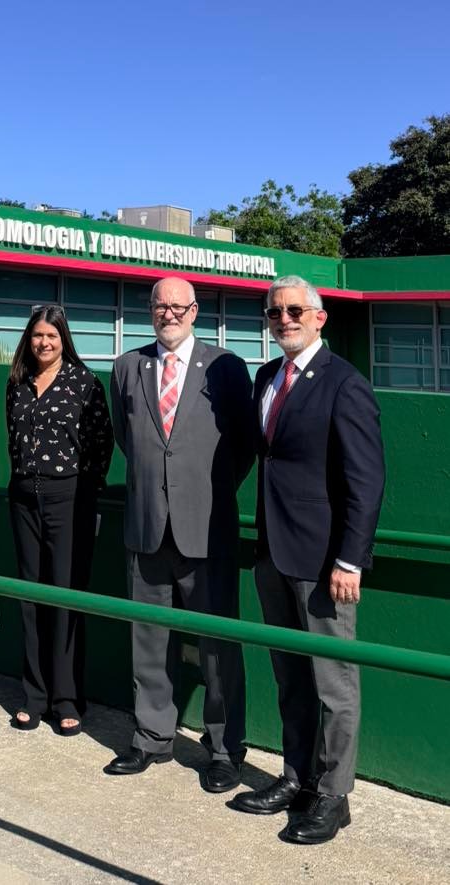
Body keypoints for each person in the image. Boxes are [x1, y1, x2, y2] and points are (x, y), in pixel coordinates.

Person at [232, 275, 385, 844]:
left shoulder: (345, 384)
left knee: (334, 685)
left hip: (324, 563)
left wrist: (350, 560)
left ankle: (334, 794)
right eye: (275, 313)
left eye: (295, 311)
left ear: (319, 317)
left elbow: (366, 482)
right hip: (273, 553)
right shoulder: (268, 377)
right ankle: (296, 777)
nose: (284, 320)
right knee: (290, 675)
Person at [106, 277, 254, 792]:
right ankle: (151, 737)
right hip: (146, 528)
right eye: (159, 306)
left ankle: (223, 749)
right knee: (148, 640)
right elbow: (129, 441)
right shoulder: (127, 367)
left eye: (177, 306)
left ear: (195, 311)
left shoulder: (227, 367)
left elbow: (243, 446)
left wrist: (200, 496)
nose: (167, 314)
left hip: (207, 530)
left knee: (218, 647)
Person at [6, 305, 113, 736]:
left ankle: (67, 698)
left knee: (66, 597)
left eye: (51, 336)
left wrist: (83, 493)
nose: (43, 343)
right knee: (30, 597)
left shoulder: (84, 383)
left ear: (63, 338)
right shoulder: (17, 383)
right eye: (36, 336)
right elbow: (12, 442)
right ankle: (34, 695)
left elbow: (100, 444)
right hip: (23, 497)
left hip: (69, 497)